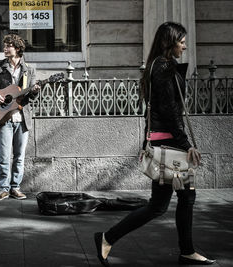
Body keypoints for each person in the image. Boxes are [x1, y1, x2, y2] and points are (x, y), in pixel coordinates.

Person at [94, 22, 215, 266]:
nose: (184, 45)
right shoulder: (163, 67)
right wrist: (186, 143)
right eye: (181, 41)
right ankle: (108, 238)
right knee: (166, 203)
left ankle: (186, 250)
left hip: (165, 142)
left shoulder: (156, 67)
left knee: (175, 201)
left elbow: (158, 111)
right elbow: (170, 111)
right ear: (168, 42)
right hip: (172, 145)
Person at [0, 34, 39, 201]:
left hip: (22, 118)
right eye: (4, 46)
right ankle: (3, 188)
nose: (4, 48)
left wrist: (34, 92)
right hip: (3, 118)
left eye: (8, 45)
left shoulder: (29, 70)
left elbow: (30, 99)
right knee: (4, 156)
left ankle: (15, 188)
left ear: (17, 48)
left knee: (19, 156)